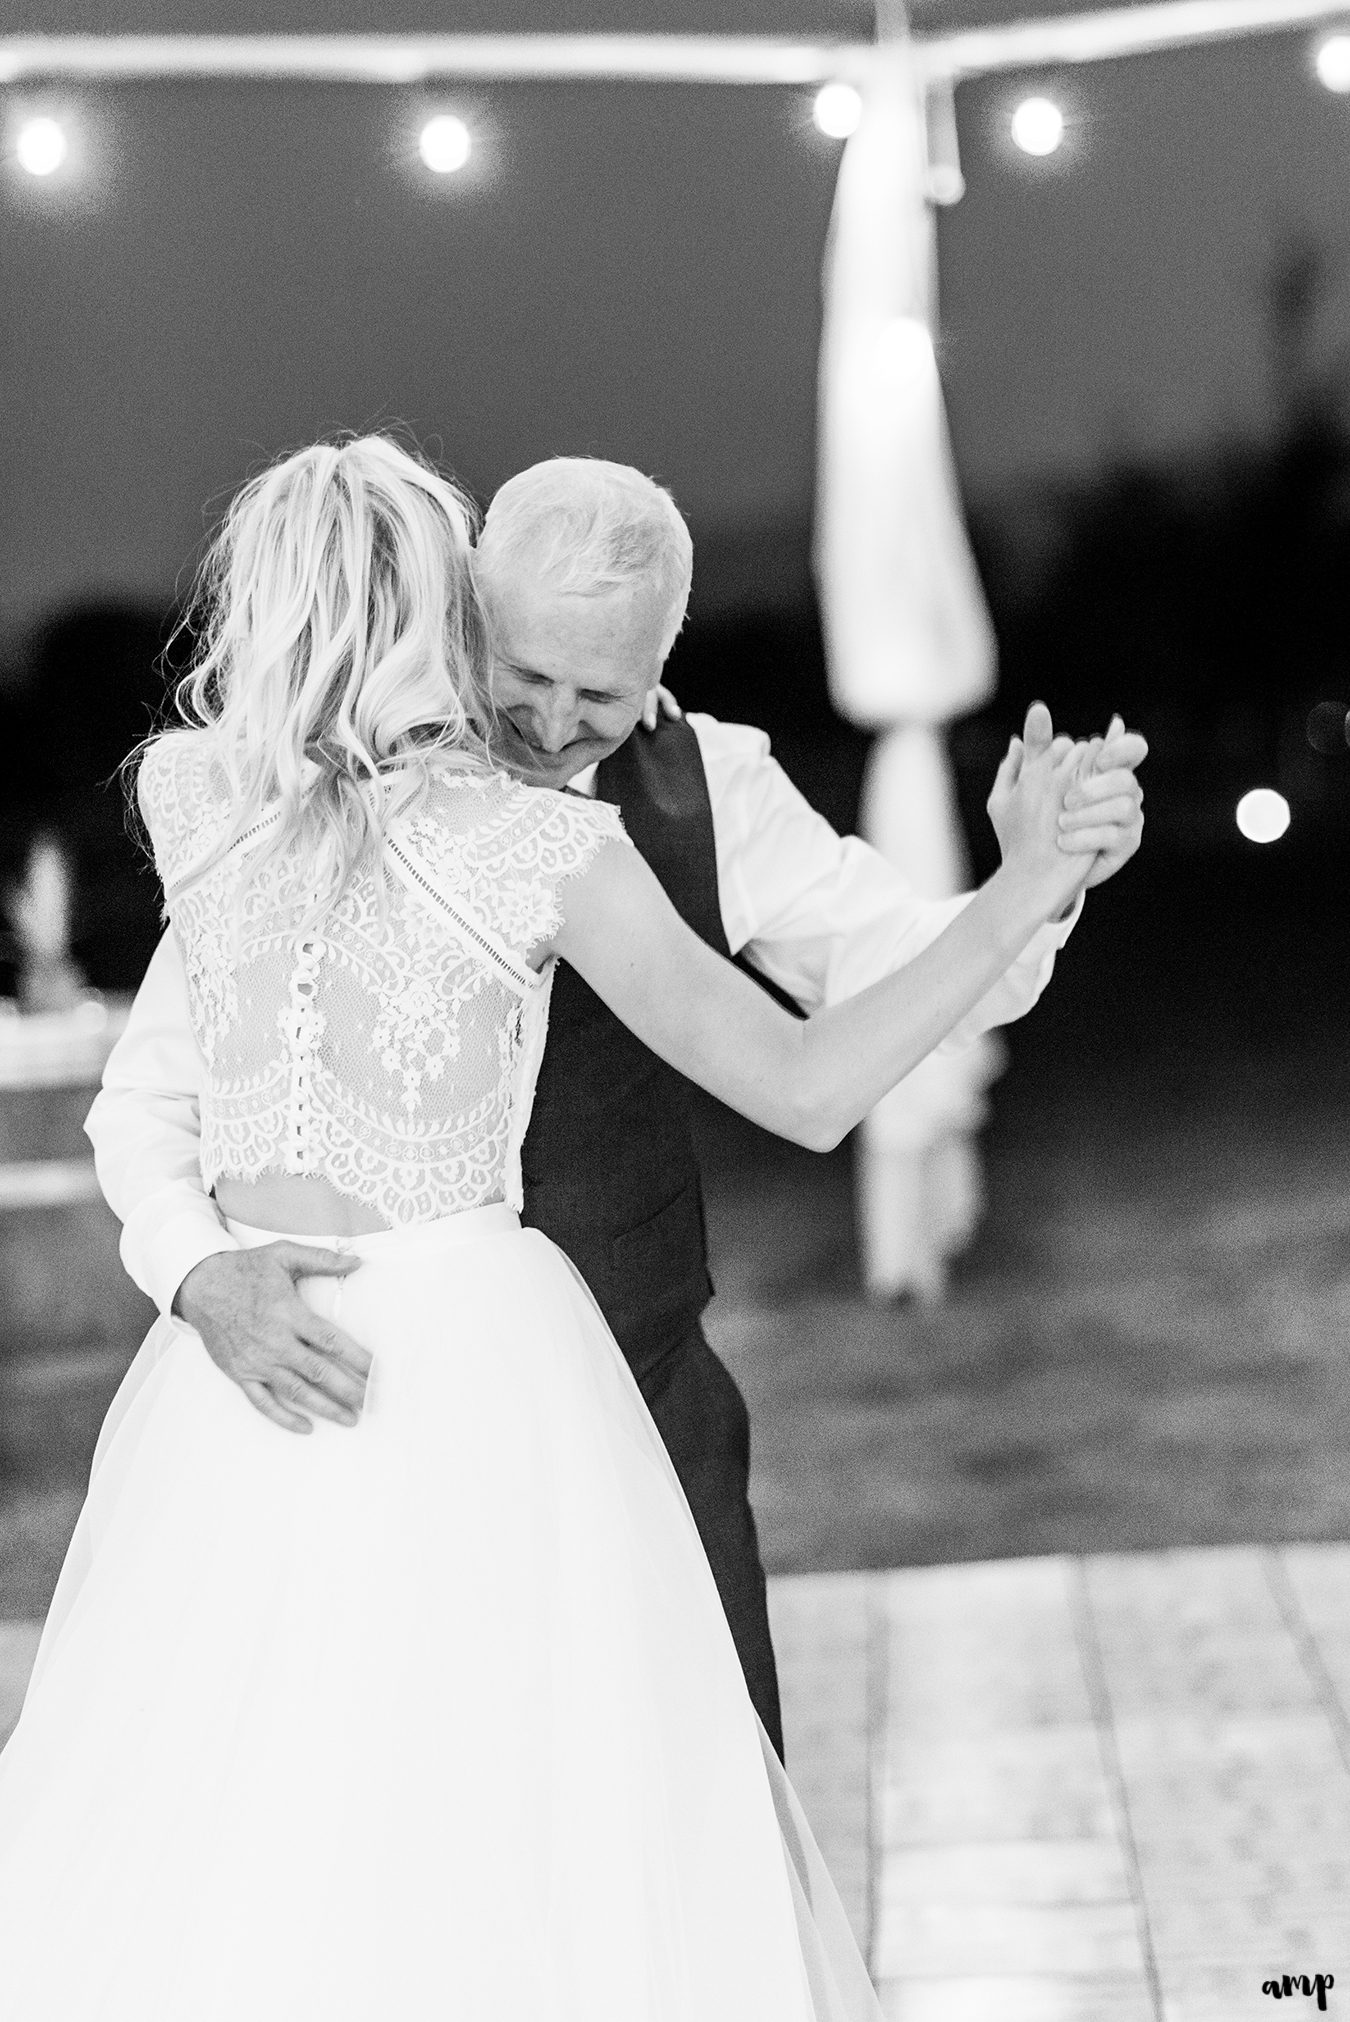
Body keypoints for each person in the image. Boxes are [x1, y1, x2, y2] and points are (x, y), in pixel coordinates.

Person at [0, 435, 1142, 2018]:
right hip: (317, 1403)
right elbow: (148, 1108)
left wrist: (1031, 888)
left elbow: (918, 984)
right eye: (519, 673)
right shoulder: (303, 816)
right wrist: (198, 1272)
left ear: (660, 676)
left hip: (627, 1417)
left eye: (597, 701)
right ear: (459, 617)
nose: (546, 724)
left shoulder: (684, 787)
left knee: (634, 1863)